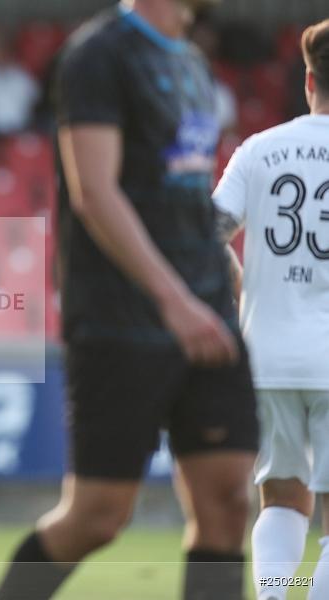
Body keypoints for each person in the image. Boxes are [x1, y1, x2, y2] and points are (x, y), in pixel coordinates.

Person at [0, 1, 259, 599]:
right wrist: (173, 299)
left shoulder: (191, 61)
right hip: (122, 318)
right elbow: (94, 191)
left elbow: (186, 190)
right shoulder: (99, 54)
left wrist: (221, 269)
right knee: (98, 517)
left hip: (207, 311)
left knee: (228, 501)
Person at [211, 19, 329, 600]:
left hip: (268, 356)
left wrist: (242, 286)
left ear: (309, 79)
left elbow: (208, 235)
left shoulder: (260, 148)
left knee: (282, 497)